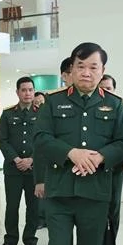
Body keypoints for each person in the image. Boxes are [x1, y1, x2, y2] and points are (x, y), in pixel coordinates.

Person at [35, 42, 123, 245]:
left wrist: (101, 157)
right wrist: (71, 153)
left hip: (96, 192)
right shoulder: (53, 102)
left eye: (93, 67)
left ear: (103, 71)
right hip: (60, 192)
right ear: (71, 70)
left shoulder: (116, 105)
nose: (86, 72)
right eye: (81, 66)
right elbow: (41, 138)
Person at [0, 76, 40, 245]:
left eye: (30, 90)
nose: (27, 93)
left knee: (34, 206)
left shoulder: (42, 113)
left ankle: (30, 239)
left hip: (34, 170)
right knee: (12, 205)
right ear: (17, 92)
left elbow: (45, 140)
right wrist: (16, 159)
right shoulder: (8, 114)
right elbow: (3, 140)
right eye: (24, 90)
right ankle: (11, 239)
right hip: (13, 169)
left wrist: (32, 159)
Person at [34, 58, 74, 229]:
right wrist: (40, 180)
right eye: (76, 69)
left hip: (91, 183)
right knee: (60, 240)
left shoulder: (103, 103)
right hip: (59, 179)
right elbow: (42, 144)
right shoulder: (52, 102)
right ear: (65, 76)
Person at [99, 76, 123, 245]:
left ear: (114, 89)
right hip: (94, 165)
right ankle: (98, 237)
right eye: (103, 87)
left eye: (109, 87)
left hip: (115, 164)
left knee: (113, 203)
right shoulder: (92, 107)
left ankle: (110, 238)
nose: (106, 90)